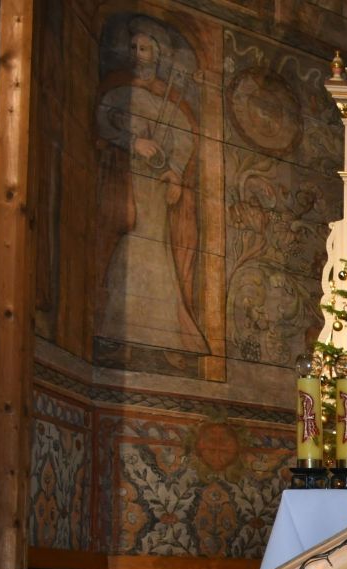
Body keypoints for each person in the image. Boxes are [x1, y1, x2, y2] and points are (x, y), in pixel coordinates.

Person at [96, 21, 208, 353]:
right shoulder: (118, 92)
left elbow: (184, 138)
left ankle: (163, 333)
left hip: (155, 187)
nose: (137, 54)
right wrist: (134, 142)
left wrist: (175, 172)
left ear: (157, 55)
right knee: (130, 239)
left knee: (156, 247)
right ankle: (117, 327)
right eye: (133, 48)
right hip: (125, 179)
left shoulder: (168, 100)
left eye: (144, 48)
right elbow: (103, 123)